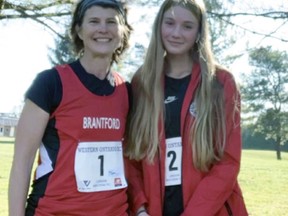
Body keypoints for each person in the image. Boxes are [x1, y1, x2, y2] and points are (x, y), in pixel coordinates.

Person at [8, 0, 133, 215]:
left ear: (122, 31)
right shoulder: (51, 83)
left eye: (111, 22)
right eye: (94, 21)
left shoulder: (128, 92)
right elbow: (22, 162)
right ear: (79, 30)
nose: (103, 29)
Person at [125, 0, 248, 215]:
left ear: (199, 32)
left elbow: (228, 162)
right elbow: (131, 153)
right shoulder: (141, 82)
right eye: (170, 23)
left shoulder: (220, 82)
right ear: (159, 26)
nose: (176, 33)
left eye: (187, 26)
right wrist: (140, 206)